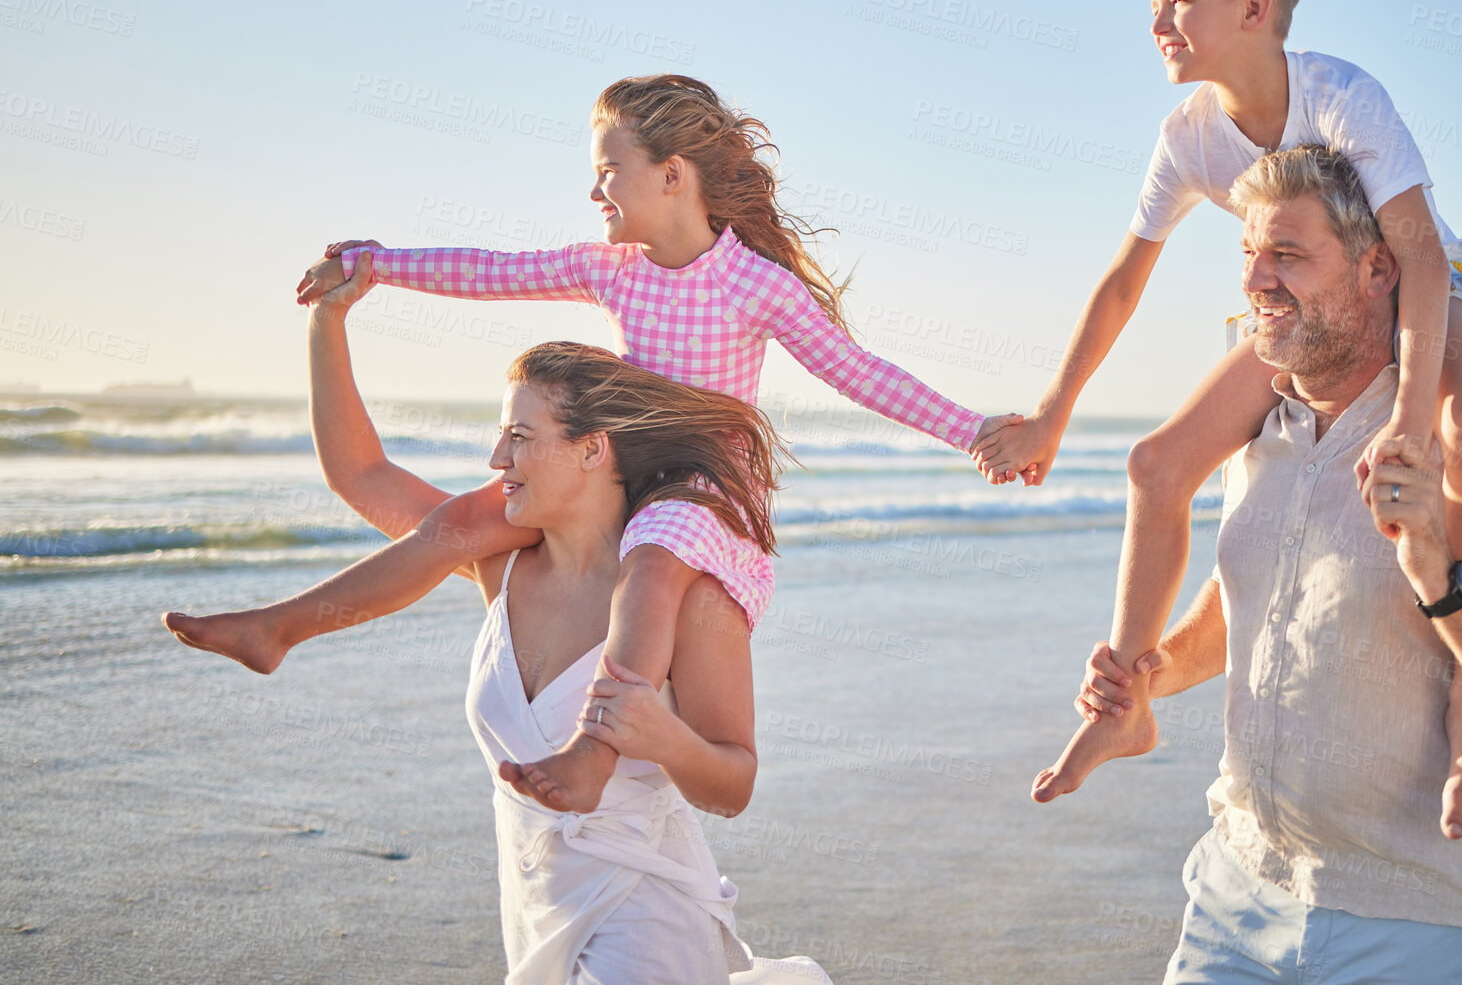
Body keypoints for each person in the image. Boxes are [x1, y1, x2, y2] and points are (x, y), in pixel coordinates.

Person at [169, 73, 1018, 815]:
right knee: (461, 523)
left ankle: (594, 750)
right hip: (629, 464)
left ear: (672, 176)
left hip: (703, 484)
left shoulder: (756, 287)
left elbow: (857, 372)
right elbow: (490, 271)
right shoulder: (615, 268)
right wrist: (377, 263)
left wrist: (973, 431)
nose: (596, 192)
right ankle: (279, 628)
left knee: (650, 562)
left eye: (609, 171)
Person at [992, 0, 1462, 842]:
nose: (1155, 21)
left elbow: (1424, 261)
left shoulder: (1342, 97)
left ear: (1252, 6)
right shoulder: (1189, 135)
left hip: (1426, 290)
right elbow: (1121, 282)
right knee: (1153, 465)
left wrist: (1408, 424)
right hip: (1309, 309)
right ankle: (1124, 707)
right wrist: (1052, 412)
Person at [1072, 145, 1462, 983]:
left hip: (1426, 925)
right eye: (1248, 255)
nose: (1254, 280)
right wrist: (1148, 675)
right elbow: (1250, 609)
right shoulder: (1259, 440)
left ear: (1379, 271)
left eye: (1287, 256)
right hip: (1234, 900)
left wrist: (1442, 581)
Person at [175, 261, 828, 983]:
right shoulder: (498, 568)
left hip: (647, 919)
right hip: (533, 917)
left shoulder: (691, 596)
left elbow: (731, 785)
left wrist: (662, 734)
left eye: (519, 436)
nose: (496, 458)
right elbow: (360, 474)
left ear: (591, 449)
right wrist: (327, 321)